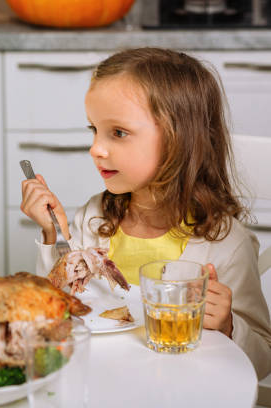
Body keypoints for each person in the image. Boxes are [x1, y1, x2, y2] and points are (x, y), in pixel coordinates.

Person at [21, 47, 271, 379]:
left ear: (176, 140)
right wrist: (54, 235)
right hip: (99, 382)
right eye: (93, 129)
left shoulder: (226, 244)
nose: (95, 148)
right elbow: (56, 310)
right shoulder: (93, 218)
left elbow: (263, 358)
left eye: (118, 132)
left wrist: (228, 326)